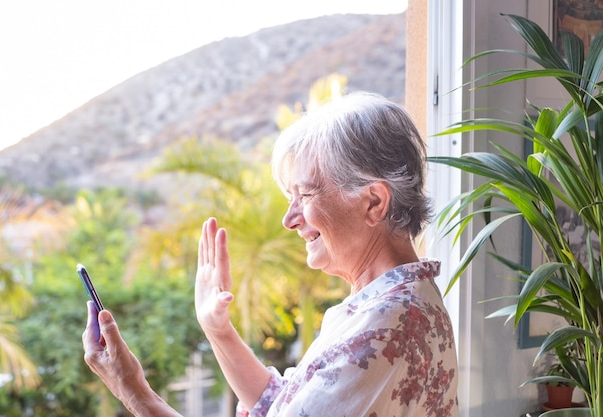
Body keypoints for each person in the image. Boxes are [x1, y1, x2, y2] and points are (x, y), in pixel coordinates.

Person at [83, 91, 459, 417]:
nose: (289, 219)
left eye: (305, 195)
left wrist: (132, 390)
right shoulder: (394, 304)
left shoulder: (384, 330)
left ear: (373, 202)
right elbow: (283, 404)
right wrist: (218, 331)